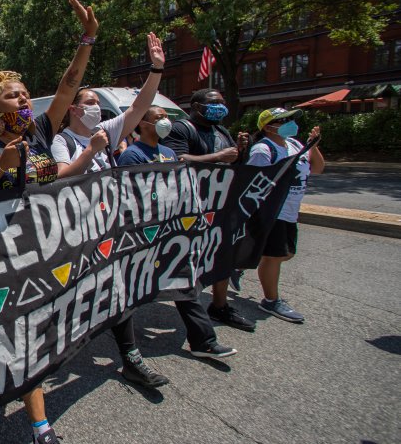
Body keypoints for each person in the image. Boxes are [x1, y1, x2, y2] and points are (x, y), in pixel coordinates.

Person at [0, 0, 97, 444]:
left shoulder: (39, 132)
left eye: (23, 92)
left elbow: (69, 87)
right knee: (16, 331)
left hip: (42, 242)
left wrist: (87, 38)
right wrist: (1, 165)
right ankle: (40, 426)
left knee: (31, 330)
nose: (22, 98)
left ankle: (28, 405)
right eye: (11, 94)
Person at [48, 33, 170, 387]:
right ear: (73, 109)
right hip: (75, 235)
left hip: (108, 230)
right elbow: (59, 179)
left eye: (97, 104)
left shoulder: (105, 130)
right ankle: (50, 355)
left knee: (120, 290)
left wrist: (157, 68)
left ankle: (131, 358)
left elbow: (137, 108)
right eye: (88, 102)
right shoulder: (63, 140)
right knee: (70, 293)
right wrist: (90, 153)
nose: (95, 108)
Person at [116, 106, 238, 361]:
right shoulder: (132, 156)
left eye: (166, 118)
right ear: (143, 124)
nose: (165, 122)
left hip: (171, 232)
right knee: (128, 290)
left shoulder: (169, 152)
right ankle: (128, 351)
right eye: (158, 118)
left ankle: (203, 341)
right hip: (144, 235)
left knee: (185, 282)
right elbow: (129, 198)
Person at [159, 88, 256, 332]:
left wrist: (241, 151)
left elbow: (234, 164)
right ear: (195, 106)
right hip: (192, 208)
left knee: (223, 255)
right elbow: (176, 161)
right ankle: (194, 316)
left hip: (221, 205)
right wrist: (219, 155)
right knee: (190, 260)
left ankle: (219, 305)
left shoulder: (221, 130)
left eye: (222, 103)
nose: (219, 107)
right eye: (213, 103)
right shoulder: (181, 129)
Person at [247, 108, 324, 322]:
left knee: (286, 254)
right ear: (268, 126)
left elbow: (317, 169)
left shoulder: (296, 145)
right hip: (273, 211)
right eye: (283, 121)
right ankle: (271, 300)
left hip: (291, 210)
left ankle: (243, 262)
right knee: (274, 257)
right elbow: (253, 183)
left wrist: (313, 147)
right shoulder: (263, 150)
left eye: (290, 119)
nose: (290, 123)